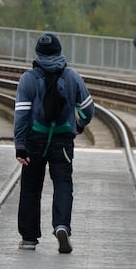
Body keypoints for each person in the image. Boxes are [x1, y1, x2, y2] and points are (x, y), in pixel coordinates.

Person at [14, 33, 95, 254]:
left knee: (31, 187)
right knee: (63, 183)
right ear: (59, 52)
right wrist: (79, 125)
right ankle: (61, 227)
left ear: (37, 53)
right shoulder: (72, 77)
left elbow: (21, 115)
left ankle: (29, 238)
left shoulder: (28, 79)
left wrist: (20, 145)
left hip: (34, 141)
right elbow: (88, 109)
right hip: (62, 141)